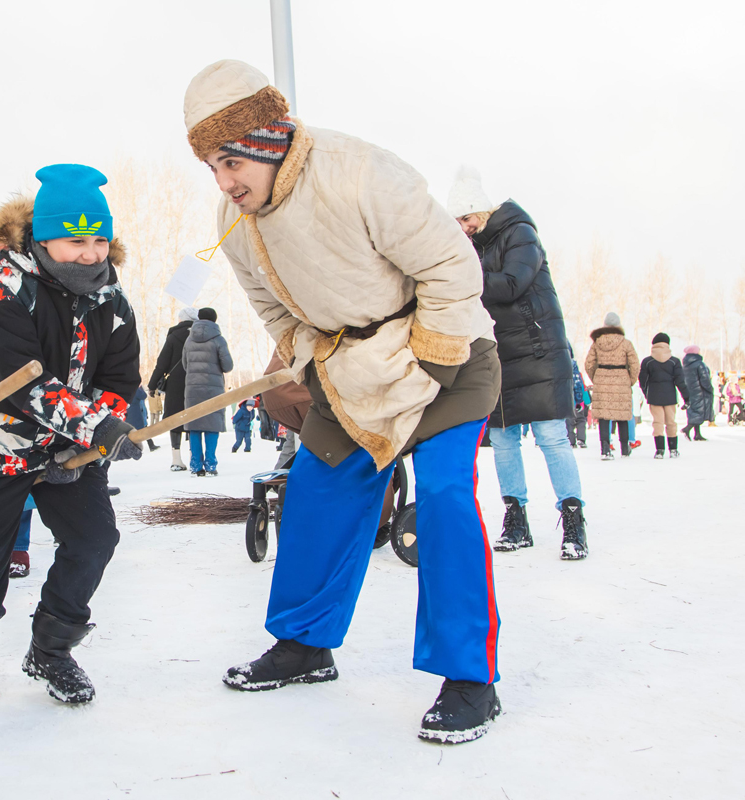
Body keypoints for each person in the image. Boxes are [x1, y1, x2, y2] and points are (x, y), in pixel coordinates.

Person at [184, 60, 502, 743]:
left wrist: (429, 361)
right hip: (354, 368)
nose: (225, 181)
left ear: (267, 141)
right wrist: (314, 361)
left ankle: (469, 678)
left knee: (445, 495)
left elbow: (454, 267)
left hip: (445, 350)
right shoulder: (236, 219)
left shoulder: (360, 173)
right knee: (319, 490)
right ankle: (304, 644)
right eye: (212, 165)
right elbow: (276, 311)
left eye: (231, 160)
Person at [0, 164, 141, 706]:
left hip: (70, 453)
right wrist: (92, 424)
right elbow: (18, 382)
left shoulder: (112, 300)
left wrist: (94, 434)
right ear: (44, 237)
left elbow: (120, 377)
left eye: (99, 240)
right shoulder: (5, 287)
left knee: (94, 539)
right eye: (76, 240)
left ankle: (52, 649)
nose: (91, 253)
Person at [451, 169, 586, 559]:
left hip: (538, 349)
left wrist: (462, 276)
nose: (463, 228)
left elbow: (512, 283)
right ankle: (516, 519)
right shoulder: (473, 247)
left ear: (481, 210)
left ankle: (573, 518)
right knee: (505, 440)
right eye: (458, 222)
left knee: (551, 437)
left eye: (466, 219)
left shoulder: (520, 233)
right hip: (497, 353)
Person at [182, 307, 233, 475]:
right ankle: (211, 464)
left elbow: (185, 365)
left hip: (193, 388)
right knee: (212, 425)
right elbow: (228, 366)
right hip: (213, 389)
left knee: (195, 426)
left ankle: (196, 466)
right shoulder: (219, 340)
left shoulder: (189, 340)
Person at [148, 307, 198, 471]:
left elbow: (162, 363)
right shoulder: (201, 334)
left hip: (176, 384)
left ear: (181, 320)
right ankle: (195, 458)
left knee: (175, 418)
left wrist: (152, 384)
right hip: (197, 382)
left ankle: (176, 460)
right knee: (195, 417)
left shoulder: (174, 335)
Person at [585, 312, 639, 460]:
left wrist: (596, 377)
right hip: (622, 378)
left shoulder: (597, 343)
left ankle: (605, 449)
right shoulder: (626, 343)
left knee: (604, 416)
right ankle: (625, 449)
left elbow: (588, 364)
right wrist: (630, 381)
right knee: (622, 414)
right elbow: (635, 365)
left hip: (602, 378)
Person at [638, 332, 688, 459]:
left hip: (654, 396)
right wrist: (686, 397)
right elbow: (680, 381)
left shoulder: (647, 361)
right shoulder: (674, 361)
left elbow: (642, 380)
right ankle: (673, 450)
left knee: (658, 423)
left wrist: (646, 393)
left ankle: (659, 450)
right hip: (670, 396)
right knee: (671, 422)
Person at [681, 345, 714, 440]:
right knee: (700, 412)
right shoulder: (699, 364)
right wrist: (709, 388)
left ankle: (697, 434)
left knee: (695, 411)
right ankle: (687, 428)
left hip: (690, 391)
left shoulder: (685, 365)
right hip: (700, 391)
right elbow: (705, 379)